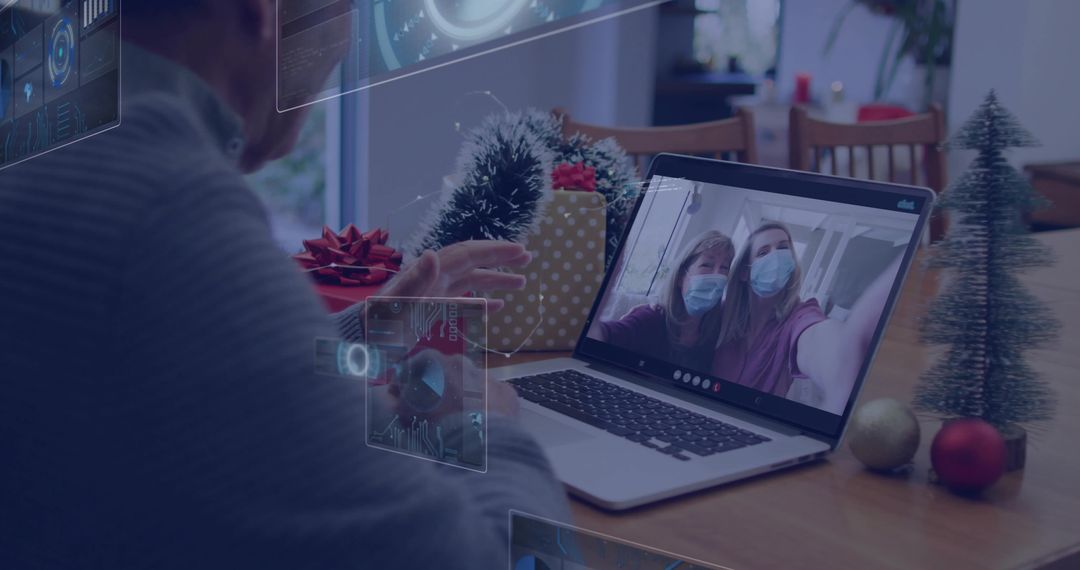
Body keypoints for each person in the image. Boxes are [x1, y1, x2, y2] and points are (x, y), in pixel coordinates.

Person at [0, 1, 568, 568]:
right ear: (264, 12)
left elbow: (178, 374)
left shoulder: (47, 133)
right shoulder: (162, 209)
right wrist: (487, 429)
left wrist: (363, 333)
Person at [713, 223, 900, 414]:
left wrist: (846, 361)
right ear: (744, 272)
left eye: (783, 248)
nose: (776, 257)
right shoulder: (720, 314)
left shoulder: (799, 316)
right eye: (763, 252)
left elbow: (818, 340)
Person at [591, 230, 734, 372]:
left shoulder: (718, 334)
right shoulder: (652, 317)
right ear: (680, 277)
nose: (717, 275)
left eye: (724, 268)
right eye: (707, 265)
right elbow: (603, 336)